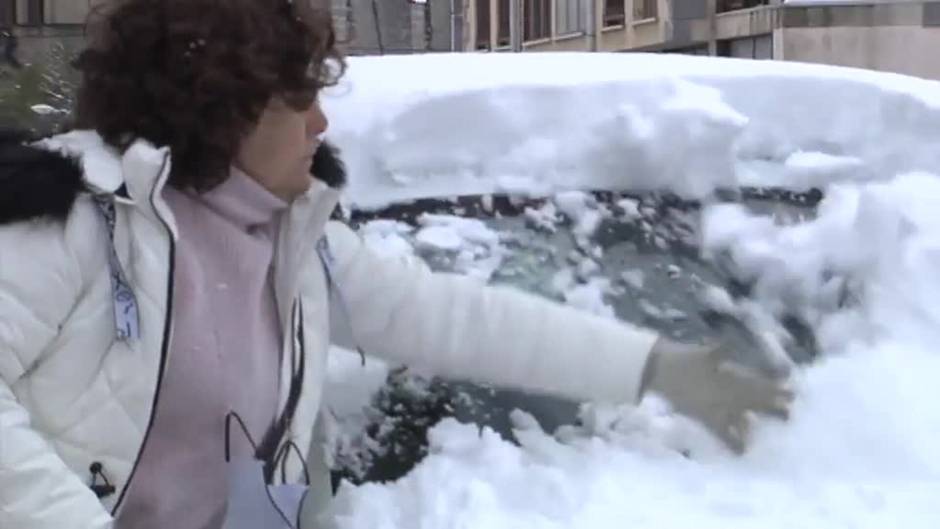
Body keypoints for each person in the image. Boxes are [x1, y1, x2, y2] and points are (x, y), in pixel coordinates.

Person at [0, 1, 793, 528]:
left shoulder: (291, 239)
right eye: (298, 100)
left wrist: (658, 366)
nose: (322, 121)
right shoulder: (78, 214)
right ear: (222, 105)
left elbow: (456, 319)